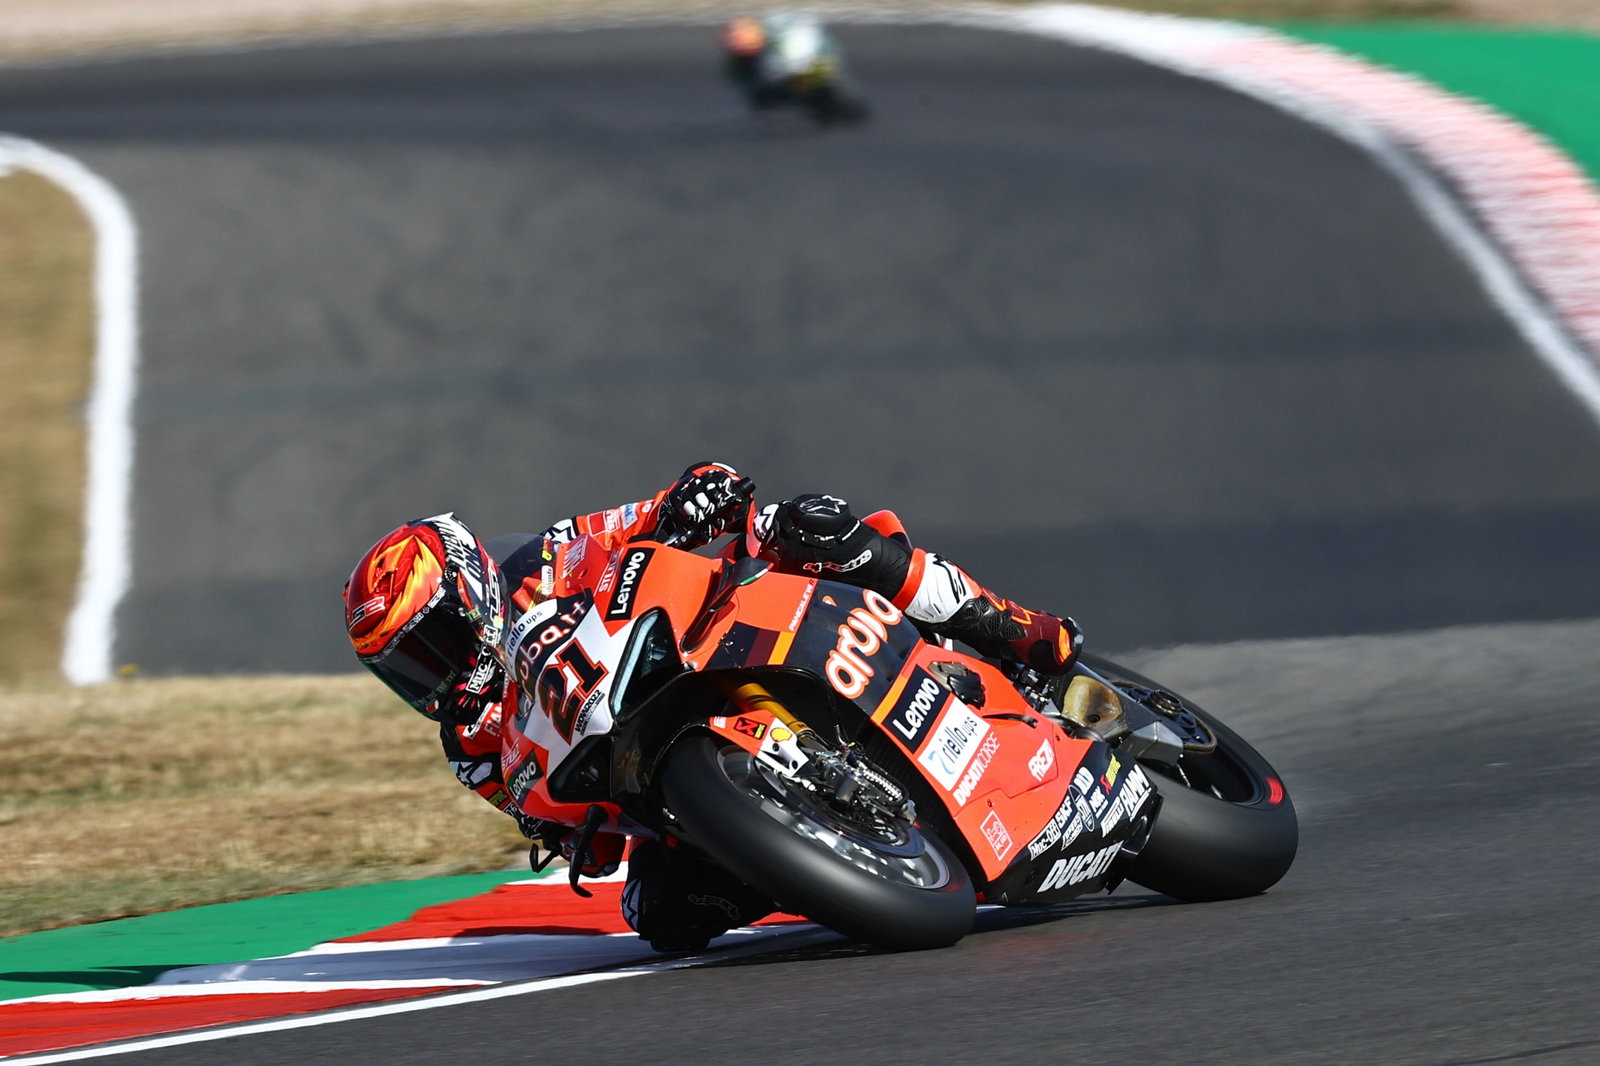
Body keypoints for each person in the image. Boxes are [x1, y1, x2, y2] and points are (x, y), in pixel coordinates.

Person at [343, 462, 1082, 951]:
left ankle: (1016, 630)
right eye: (405, 671)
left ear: (470, 593)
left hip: (707, 643)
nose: (430, 678)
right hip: (649, 771)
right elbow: (582, 843)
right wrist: (563, 828)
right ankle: (830, 856)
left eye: (432, 646)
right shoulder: (471, 747)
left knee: (810, 525)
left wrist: (694, 498)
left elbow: (663, 508)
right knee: (660, 916)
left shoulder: (547, 559)